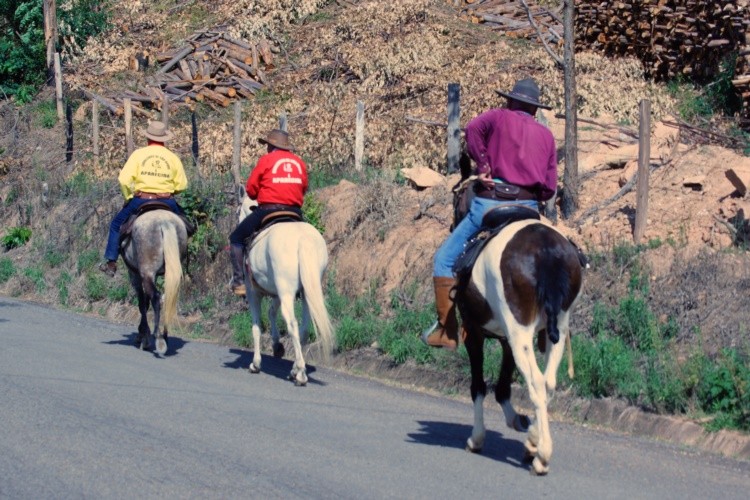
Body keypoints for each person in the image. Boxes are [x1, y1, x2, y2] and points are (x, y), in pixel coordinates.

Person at [423, 77, 558, 350]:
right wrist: (531, 195)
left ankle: (447, 331)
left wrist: (483, 165)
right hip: (529, 208)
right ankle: (548, 328)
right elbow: (549, 188)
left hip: (491, 203)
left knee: (444, 260)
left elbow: (472, 129)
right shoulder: (546, 135)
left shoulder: (498, 117)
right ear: (534, 109)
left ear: (511, 101)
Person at [99, 121, 188, 277]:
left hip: (141, 200)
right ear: (164, 139)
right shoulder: (173, 157)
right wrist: (167, 190)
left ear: (148, 138)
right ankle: (186, 259)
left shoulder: (138, 155)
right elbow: (182, 185)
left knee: (115, 225)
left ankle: (111, 262)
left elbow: (124, 180)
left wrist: (128, 196)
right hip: (167, 201)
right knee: (189, 225)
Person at [228, 129, 309, 296]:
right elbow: (304, 187)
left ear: (271, 146)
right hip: (294, 212)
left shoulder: (266, 160)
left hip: (268, 211)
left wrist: (259, 195)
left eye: (267, 145)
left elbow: (251, 188)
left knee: (236, 238)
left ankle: (239, 282)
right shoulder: (299, 162)